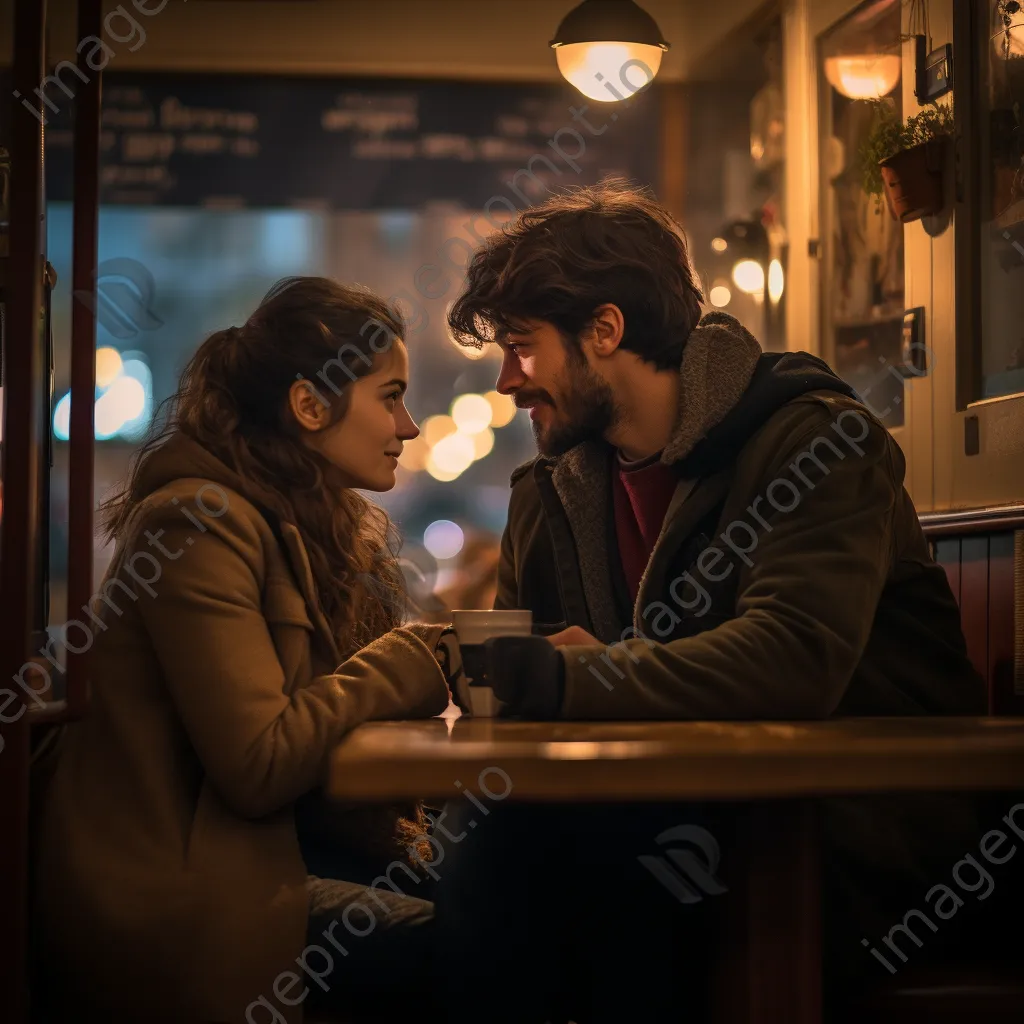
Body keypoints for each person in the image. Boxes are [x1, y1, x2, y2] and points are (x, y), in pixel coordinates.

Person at [435, 181, 989, 1021]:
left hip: (857, 832)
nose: (509, 379)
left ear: (606, 329)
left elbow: (792, 657)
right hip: (677, 811)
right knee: (489, 845)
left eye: (522, 346)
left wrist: (575, 678)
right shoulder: (548, 494)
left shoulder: (815, 442)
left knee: (576, 873)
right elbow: (526, 690)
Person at [32, 277, 453, 1024]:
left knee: (499, 899)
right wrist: (408, 661)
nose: (410, 424)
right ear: (309, 405)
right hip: (174, 894)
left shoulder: (306, 526)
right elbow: (260, 764)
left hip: (264, 853)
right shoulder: (198, 523)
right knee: (475, 946)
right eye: (390, 396)